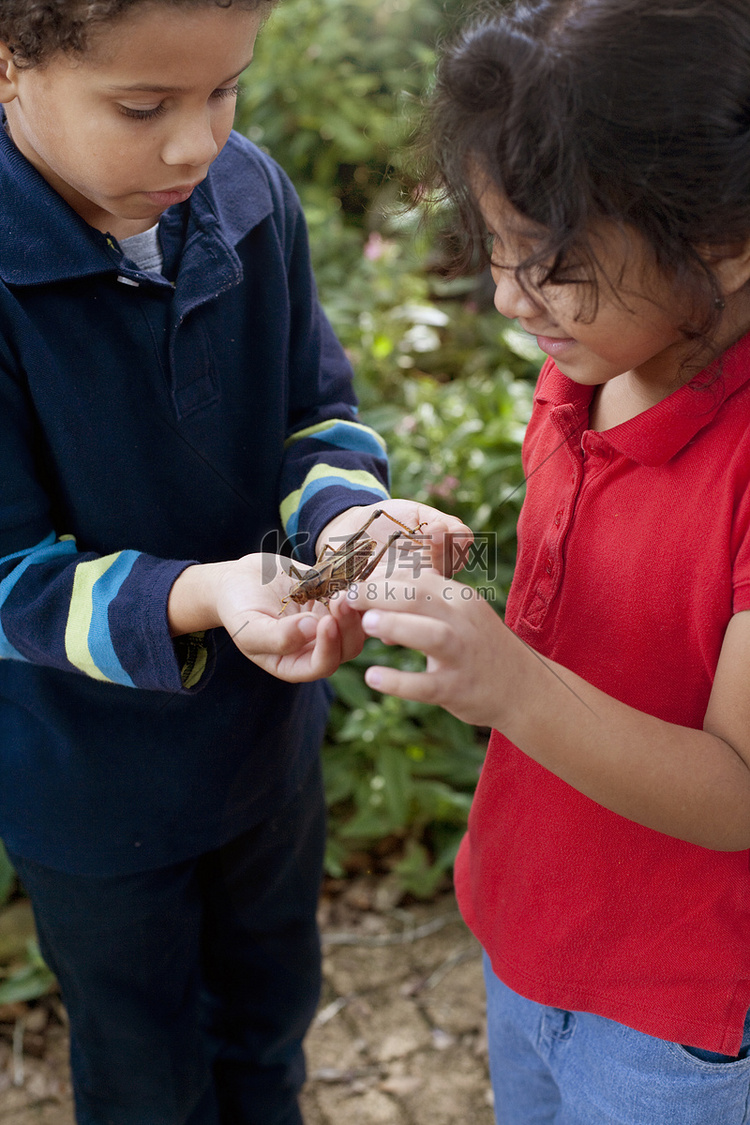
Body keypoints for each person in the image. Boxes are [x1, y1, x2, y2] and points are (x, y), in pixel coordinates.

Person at [0, 1, 468, 1121]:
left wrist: (344, 522)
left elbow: (315, 415)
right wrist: (206, 593)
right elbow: (11, 578)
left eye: (225, 89)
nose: (195, 144)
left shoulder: (250, 197)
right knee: (146, 1072)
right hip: (89, 789)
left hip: (265, 746)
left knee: (269, 1027)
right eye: (143, 106)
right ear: (11, 61)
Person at [338, 1, 750, 1120]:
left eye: (551, 265)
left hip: (676, 1018)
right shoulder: (586, 373)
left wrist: (511, 682)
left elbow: (739, 789)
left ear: (722, 237)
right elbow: (581, 643)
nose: (514, 300)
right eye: (499, 256)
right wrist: (450, 593)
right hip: (527, 928)